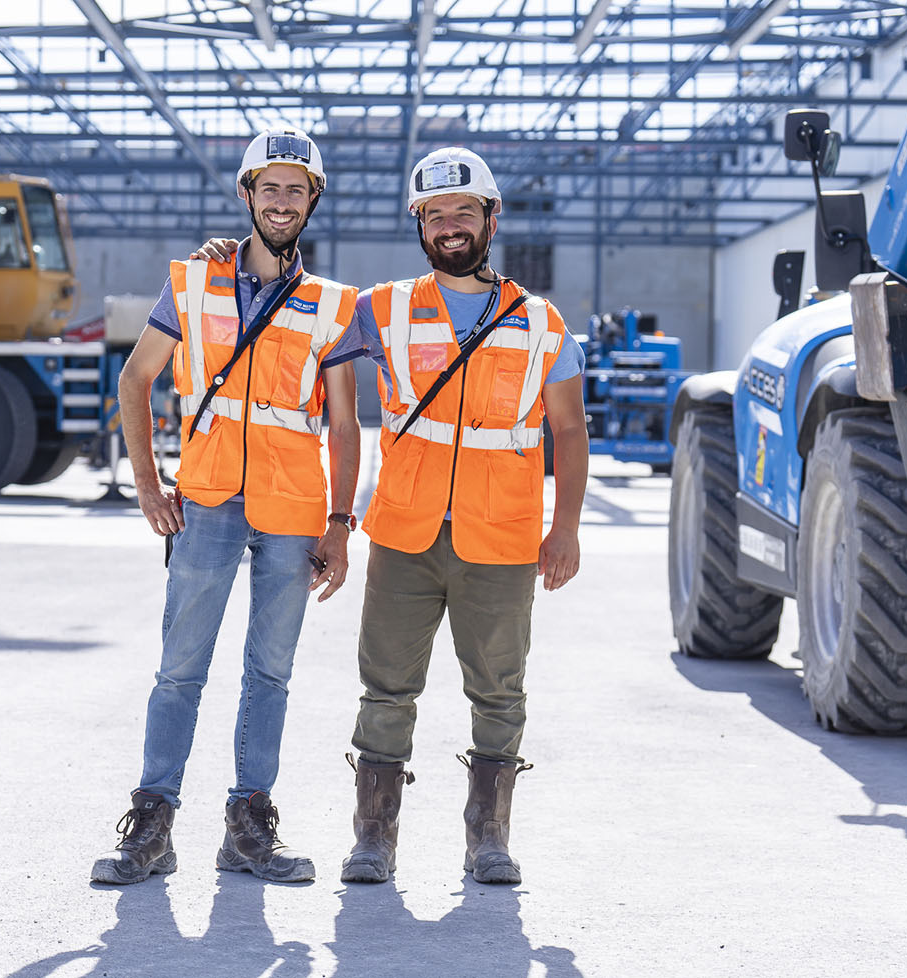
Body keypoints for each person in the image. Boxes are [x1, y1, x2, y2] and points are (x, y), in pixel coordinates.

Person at [91, 127, 365, 886]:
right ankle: (152, 823)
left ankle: (248, 826)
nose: (282, 201)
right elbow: (135, 380)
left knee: (269, 673)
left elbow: (346, 423)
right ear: (247, 195)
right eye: (269, 187)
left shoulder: (334, 304)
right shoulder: (193, 281)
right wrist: (148, 485)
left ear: (313, 200)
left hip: (294, 509)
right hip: (207, 500)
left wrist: (341, 524)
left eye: (296, 189)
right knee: (179, 670)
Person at [339, 147, 588, 886]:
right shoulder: (379, 309)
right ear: (420, 225)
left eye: (463, 211)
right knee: (386, 687)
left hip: (501, 537)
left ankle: (489, 838)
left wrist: (565, 528)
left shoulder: (539, 321)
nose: (450, 225)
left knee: (499, 691)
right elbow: (288, 309)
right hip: (404, 533)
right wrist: (228, 256)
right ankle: (373, 839)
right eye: (435, 214)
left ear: (491, 218)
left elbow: (569, 429)